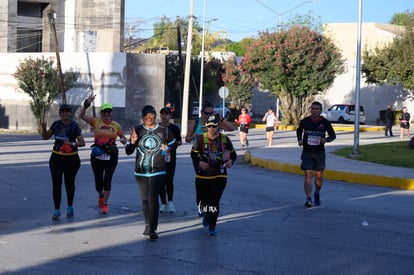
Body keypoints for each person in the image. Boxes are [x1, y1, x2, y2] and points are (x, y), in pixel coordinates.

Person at [125, 105, 177, 241]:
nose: (149, 117)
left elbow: (173, 144)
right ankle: (148, 224)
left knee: (152, 197)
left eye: (151, 115)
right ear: (143, 117)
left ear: (155, 116)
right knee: (144, 200)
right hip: (141, 170)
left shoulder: (164, 131)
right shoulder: (137, 130)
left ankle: (152, 229)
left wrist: (167, 148)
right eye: (146, 115)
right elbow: (128, 151)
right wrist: (132, 141)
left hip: (158, 170)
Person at [190, 114, 237, 236]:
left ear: (218, 127)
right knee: (201, 201)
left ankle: (212, 225)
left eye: (214, 126)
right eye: (210, 126)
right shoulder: (200, 139)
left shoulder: (225, 139)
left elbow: (233, 154)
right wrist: (200, 162)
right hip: (202, 175)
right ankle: (207, 214)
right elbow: (193, 154)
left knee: (214, 201)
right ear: (207, 126)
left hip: (219, 175)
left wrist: (230, 161)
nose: (212, 128)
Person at [80, 94, 127, 214]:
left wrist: (123, 140)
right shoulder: (96, 121)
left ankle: (105, 204)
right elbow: (81, 115)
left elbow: (123, 138)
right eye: (104, 113)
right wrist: (87, 104)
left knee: (108, 180)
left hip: (111, 155)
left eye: (108, 112)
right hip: (97, 154)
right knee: (98, 183)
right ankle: (101, 195)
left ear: (111, 113)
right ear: (101, 114)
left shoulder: (116, 125)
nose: (106, 115)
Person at [41, 104, 85, 220]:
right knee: (56, 182)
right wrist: (44, 129)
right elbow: (45, 137)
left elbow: (82, 143)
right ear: (60, 113)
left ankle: (70, 207)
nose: (65, 114)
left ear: (70, 113)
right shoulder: (56, 124)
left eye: (67, 112)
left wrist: (72, 143)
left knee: (69, 183)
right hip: (56, 158)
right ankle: (57, 210)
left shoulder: (75, 126)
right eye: (63, 112)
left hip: (72, 158)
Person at [296, 101, 336, 208]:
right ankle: (308, 198)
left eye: (316, 109)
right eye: (312, 109)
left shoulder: (325, 122)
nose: (314, 111)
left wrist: (326, 139)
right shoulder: (305, 121)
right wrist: (299, 139)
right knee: (308, 175)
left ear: (320, 111)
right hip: (307, 152)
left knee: (318, 176)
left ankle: (317, 193)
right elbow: (299, 130)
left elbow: (333, 136)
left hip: (319, 153)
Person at [158, 107, 182, 213]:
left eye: (166, 114)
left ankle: (170, 202)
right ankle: (163, 203)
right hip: (158, 159)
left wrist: (170, 146)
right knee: (160, 181)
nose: (164, 116)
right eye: (162, 114)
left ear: (170, 116)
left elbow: (179, 141)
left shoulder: (174, 128)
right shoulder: (156, 128)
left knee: (169, 180)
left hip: (170, 158)